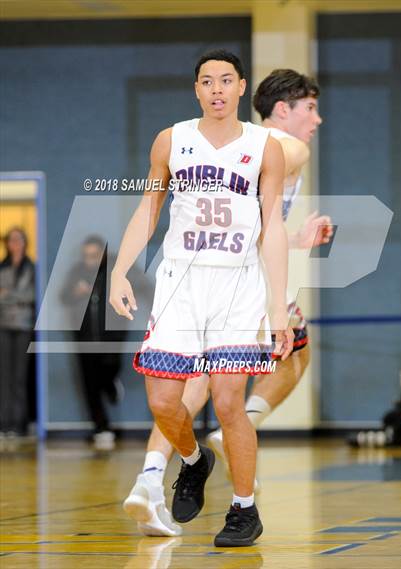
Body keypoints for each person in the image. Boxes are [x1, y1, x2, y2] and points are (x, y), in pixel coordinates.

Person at [123, 68, 332, 538]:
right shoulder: (281, 146)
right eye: (311, 108)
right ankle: (177, 465)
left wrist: (296, 239)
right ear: (283, 110)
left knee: (199, 383)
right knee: (217, 384)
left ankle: (154, 473)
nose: (317, 120)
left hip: (234, 268)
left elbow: (258, 226)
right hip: (228, 280)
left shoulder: (253, 148)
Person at [61, 235, 127, 450]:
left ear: (103, 254)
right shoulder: (76, 273)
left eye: (95, 255)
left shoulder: (114, 273)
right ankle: (101, 428)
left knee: (108, 371)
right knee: (89, 385)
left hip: (110, 338)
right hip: (84, 338)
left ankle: (111, 385)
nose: (90, 259)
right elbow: (63, 297)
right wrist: (74, 292)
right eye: (87, 255)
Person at [0, 227, 35, 438]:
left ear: (24, 242)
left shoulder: (31, 268)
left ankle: (18, 423)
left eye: (18, 239)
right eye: (11, 240)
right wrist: (16, 297)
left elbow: (30, 296)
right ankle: (4, 422)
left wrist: (7, 295)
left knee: (20, 376)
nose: (15, 244)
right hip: (3, 327)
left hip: (23, 327)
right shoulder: (2, 266)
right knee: (4, 376)